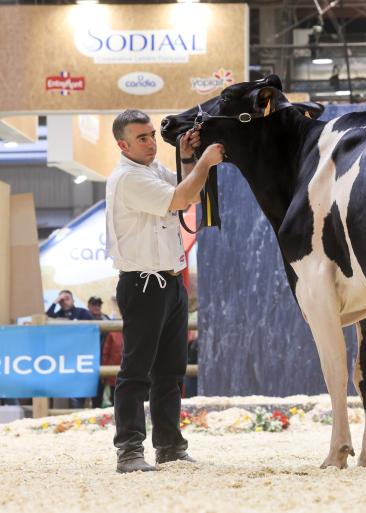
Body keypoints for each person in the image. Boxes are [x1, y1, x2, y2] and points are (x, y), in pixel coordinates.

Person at [105, 109, 224, 473]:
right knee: (136, 371)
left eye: (153, 135)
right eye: (142, 138)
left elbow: (184, 187)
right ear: (123, 145)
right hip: (143, 283)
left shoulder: (150, 169)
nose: (152, 142)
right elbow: (182, 198)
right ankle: (129, 451)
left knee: (171, 370)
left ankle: (170, 446)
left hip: (170, 281)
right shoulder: (128, 178)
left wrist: (189, 157)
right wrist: (205, 160)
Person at [87, 296, 111, 408]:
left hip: (104, 357)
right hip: (89, 356)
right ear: (89, 306)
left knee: (103, 386)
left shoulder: (106, 318)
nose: (97, 307)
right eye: (94, 304)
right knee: (93, 387)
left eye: (99, 304)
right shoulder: (85, 317)